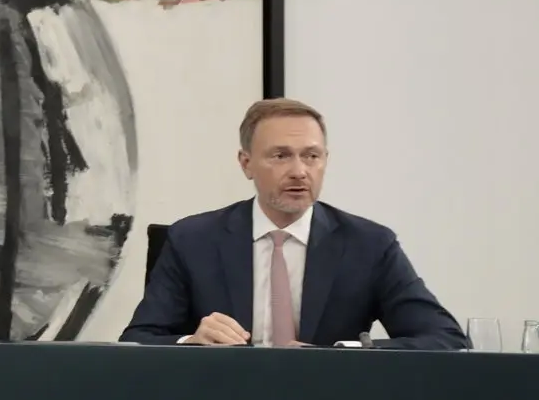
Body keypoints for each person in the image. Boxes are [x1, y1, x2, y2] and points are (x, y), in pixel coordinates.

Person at [120, 98, 461, 349]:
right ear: (246, 163)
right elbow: (138, 340)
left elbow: (445, 339)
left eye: (312, 156)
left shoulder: (369, 245)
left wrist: (347, 354)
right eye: (281, 155)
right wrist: (190, 341)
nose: (299, 171)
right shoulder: (193, 240)